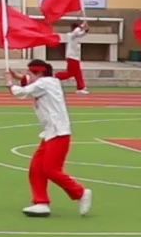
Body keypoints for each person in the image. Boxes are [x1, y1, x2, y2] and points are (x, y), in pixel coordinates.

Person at [5, 58, 92, 218]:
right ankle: (41, 202)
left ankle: (80, 192)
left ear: (39, 73)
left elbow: (21, 92)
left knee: (51, 170)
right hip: (50, 133)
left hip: (59, 133)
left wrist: (10, 83)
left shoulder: (45, 83)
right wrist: (19, 78)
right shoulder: (49, 82)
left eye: (30, 73)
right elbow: (30, 83)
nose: (27, 76)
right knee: (36, 168)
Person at [57, 20, 89, 94]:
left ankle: (81, 87)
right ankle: (56, 77)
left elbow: (81, 34)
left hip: (75, 57)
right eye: (77, 28)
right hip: (72, 57)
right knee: (70, 73)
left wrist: (86, 30)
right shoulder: (70, 35)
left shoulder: (76, 36)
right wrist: (82, 26)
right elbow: (76, 33)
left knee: (78, 73)